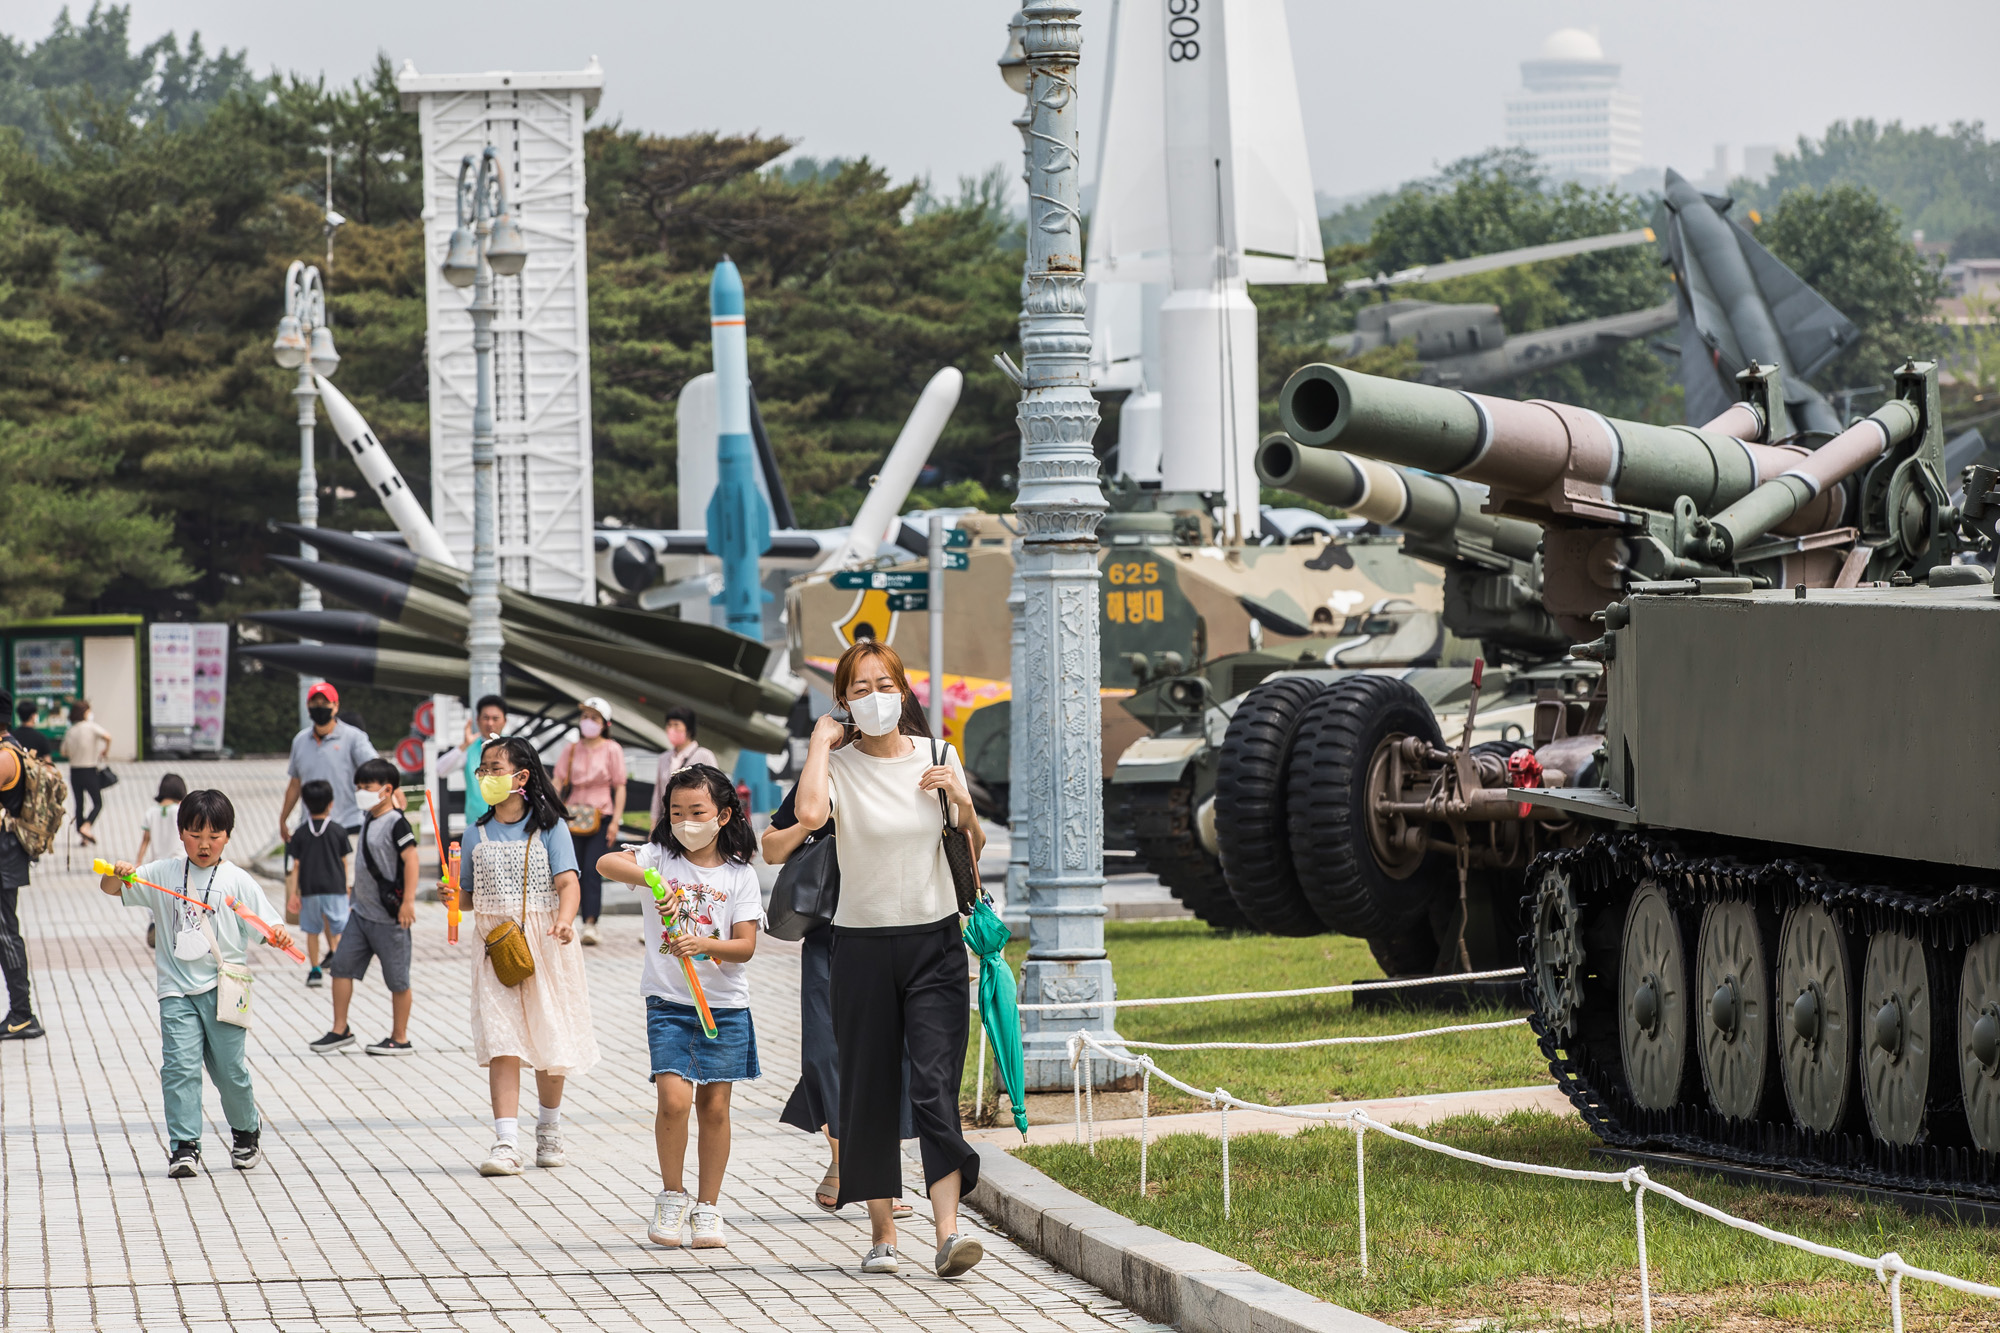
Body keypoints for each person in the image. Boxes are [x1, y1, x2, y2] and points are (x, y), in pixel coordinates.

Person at [794, 639, 986, 1279]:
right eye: (860, 688)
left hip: (934, 944)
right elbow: (810, 814)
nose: (874, 697)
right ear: (844, 702)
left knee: (934, 1087)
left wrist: (958, 797)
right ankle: (882, 1233)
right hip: (862, 946)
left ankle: (948, 1233)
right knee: (869, 1090)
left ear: (904, 692)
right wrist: (821, 744)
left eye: (884, 685)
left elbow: (972, 841)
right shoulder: (838, 765)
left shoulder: (938, 755)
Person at [599, 764, 762, 1250]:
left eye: (697, 811)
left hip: (725, 1006)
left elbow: (746, 946)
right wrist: (653, 881)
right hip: (669, 1001)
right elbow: (607, 864)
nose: (686, 821)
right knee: (674, 1099)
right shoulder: (658, 858)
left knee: (714, 1107)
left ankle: (708, 1208)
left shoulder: (740, 876)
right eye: (676, 812)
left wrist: (705, 945)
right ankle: (672, 1196)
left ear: (723, 814)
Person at [99, 790, 294, 1177]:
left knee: (229, 1070)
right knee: (179, 1067)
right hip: (176, 991)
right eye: (195, 834)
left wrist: (279, 934)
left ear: (228, 835)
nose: (204, 844)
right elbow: (112, 890)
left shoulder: (238, 880)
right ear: (181, 832)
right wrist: (115, 873)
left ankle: (245, 1132)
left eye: (215, 835)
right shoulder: (162, 873)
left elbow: (269, 927)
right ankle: (184, 1147)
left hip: (226, 989)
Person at [764, 784, 914, 1219]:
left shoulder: (911, 765)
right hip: (828, 933)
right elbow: (771, 849)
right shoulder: (824, 774)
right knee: (825, 1052)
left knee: (891, 1052)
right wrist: (809, 822)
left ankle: (874, 1168)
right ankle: (846, 1155)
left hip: (895, 927)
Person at [459, 736, 599, 1176]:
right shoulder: (473, 833)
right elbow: (466, 897)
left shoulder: (552, 827)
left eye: (495, 769)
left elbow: (569, 884)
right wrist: (451, 895)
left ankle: (549, 1129)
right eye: (483, 769)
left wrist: (566, 920)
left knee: (547, 1040)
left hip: (546, 945)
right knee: (503, 1043)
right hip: (496, 949)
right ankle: (505, 1142)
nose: (486, 777)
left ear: (522, 776)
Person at [313, 760, 418, 1056]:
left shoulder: (397, 822)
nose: (361, 792)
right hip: (360, 913)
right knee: (341, 967)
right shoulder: (368, 816)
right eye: (358, 787)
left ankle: (400, 1037)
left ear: (386, 790)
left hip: (390, 917)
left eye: (367, 787)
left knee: (398, 979)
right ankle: (340, 1029)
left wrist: (409, 902)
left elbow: (411, 859)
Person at [553, 696, 626, 947]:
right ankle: (568, 918)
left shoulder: (612, 749)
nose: (588, 722)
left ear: (605, 723)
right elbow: (558, 781)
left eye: (594, 718)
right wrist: (552, 811)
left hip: (600, 815)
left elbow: (620, 786)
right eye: (585, 717)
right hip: (572, 816)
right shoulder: (571, 749)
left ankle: (591, 922)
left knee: (594, 870)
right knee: (570, 869)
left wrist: (616, 820)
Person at [278, 683, 377, 845]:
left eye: (324, 703)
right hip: (311, 827)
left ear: (336, 706)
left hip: (348, 825)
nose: (319, 707)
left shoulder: (354, 737)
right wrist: (283, 818)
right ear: (307, 706)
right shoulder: (300, 741)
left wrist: (393, 792)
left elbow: (376, 769)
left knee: (347, 870)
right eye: (314, 703)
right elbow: (295, 784)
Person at [0, 691, 44, 1040]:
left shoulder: (5, 756)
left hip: (4, 859)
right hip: (6, 855)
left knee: (6, 934)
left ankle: (22, 1014)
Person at [284, 780, 350, 987]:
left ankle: (314, 970)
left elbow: (296, 866)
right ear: (331, 803)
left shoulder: (301, 833)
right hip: (336, 889)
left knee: (312, 931)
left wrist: (294, 893)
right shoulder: (339, 831)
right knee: (338, 929)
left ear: (305, 803)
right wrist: (347, 887)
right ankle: (340, 966)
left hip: (309, 890)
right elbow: (344, 862)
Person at [138, 773, 189, 953]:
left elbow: (145, 840)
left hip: (156, 866)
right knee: (178, 900)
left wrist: (138, 864)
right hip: (178, 864)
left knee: (155, 901)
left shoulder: (151, 813)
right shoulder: (181, 811)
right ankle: (177, 930)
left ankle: (154, 922)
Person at [649, 707, 718, 827]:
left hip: (695, 821)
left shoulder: (704, 755)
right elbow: (658, 794)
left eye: (676, 725)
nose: (671, 729)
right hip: (668, 820)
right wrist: (653, 824)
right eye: (669, 725)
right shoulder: (664, 758)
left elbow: (716, 790)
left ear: (689, 729)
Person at [60, 700, 110, 846]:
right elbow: (108, 737)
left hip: (75, 771)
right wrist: (105, 750)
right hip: (89, 770)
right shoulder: (91, 727)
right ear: (85, 712)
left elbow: (64, 752)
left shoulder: (71, 731)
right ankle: (87, 827)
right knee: (98, 802)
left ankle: (83, 837)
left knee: (79, 804)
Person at [460, 695, 510, 825]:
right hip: (476, 820)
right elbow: (440, 769)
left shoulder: (514, 749)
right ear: (477, 720)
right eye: (486, 718)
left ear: (505, 720)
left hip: (508, 820)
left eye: (495, 718)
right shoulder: (470, 749)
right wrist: (463, 746)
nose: (490, 723)